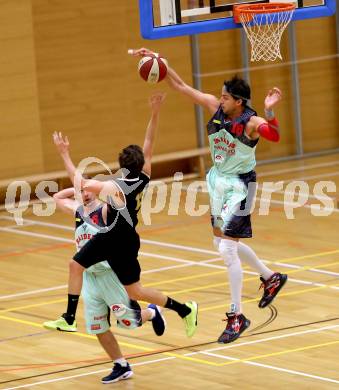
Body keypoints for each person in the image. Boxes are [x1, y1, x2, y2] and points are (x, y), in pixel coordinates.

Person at [131, 49, 288, 344]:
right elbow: (179, 86)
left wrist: (269, 110)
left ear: (239, 102)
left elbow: (276, 136)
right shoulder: (215, 107)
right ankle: (270, 277)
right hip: (219, 182)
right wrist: (160, 60)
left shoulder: (252, 123)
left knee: (227, 249)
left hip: (240, 185)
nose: (221, 99)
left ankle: (237, 315)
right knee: (220, 242)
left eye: (226, 97)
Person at [48, 93, 198, 339]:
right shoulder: (145, 174)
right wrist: (155, 112)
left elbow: (80, 182)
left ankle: (70, 317)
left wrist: (64, 154)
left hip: (116, 239)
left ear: (121, 164)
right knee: (126, 287)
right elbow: (149, 140)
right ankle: (184, 309)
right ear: (140, 164)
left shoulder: (113, 186)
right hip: (124, 238)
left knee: (114, 282)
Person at [43, 186, 166, 383]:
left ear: (96, 190)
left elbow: (121, 200)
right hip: (90, 278)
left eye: (88, 190)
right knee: (97, 326)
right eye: (81, 191)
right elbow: (57, 197)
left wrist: (93, 184)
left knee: (128, 322)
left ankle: (152, 312)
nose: (85, 194)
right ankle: (121, 365)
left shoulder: (107, 211)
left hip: (110, 274)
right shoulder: (78, 211)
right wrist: (77, 186)